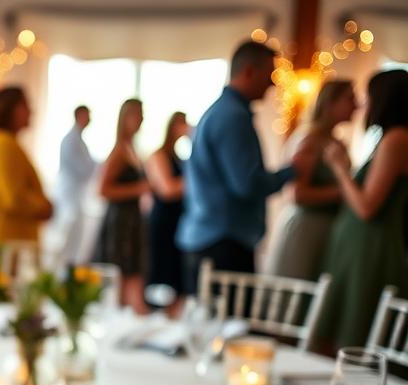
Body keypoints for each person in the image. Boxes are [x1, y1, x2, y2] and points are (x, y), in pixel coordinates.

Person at [176, 40, 303, 295]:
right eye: (269, 75)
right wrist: (291, 171)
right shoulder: (232, 116)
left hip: (210, 236)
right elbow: (246, 184)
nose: (272, 83)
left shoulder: (222, 111)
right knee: (227, 330)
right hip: (222, 242)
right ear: (248, 72)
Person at [315, 69, 408, 350]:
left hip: (371, 249)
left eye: (368, 97)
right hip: (359, 247)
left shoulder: (398, 140)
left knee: (355, 335)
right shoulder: (390, 138)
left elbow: (367, 207)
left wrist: (340, 169)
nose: (363, 104)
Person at [268, 80, 357, 280]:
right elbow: (296, 194)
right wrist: (345, 192)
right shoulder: (309, 141)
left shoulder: (336, 141)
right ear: (330, 103)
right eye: (349, 98)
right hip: (306, 231)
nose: (356, 105)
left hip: (328, 229)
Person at [0, 86, 53, 255]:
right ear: (9, 109)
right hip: (4, 245)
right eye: (25, 105)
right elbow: (13, 198)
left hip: (6, 243)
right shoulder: (1, 143)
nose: (30, 111)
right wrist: (44, 207)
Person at [94, 98, 149, 313]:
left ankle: (130, 316)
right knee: (120, 273)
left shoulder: (132, 149)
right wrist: (139, 189)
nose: (141, 119)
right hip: (120, 222)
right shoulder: (118, 152)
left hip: (132, 219)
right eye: (137, 114)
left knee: (132, 271)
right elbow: (103, 190)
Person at [146, 111, 190, 312]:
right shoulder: (158, 155)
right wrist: (198, 182)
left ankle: (171, 321)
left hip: (179, 222)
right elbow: (167, 189)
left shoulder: (180, 158)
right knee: (160, 273)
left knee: (176, 276)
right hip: (162, 222)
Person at [56, 105, 97, 264]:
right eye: (87, 115)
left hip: (76, 197)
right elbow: (84, 169)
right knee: (68, 242)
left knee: (75, 241)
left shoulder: (78, 140)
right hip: (69, 198)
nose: (90, 119)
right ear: (79, 115)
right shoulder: (70, 141)